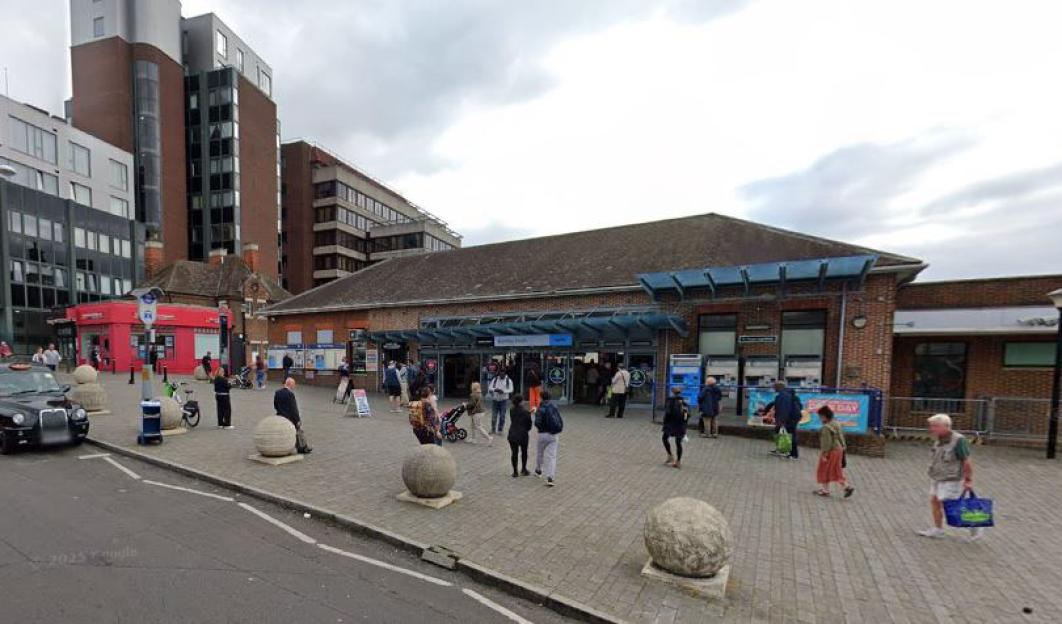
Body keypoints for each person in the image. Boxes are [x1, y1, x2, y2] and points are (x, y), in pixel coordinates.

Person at [919, 413, 980, 540]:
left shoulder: (959, 440)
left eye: (935, 426)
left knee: (949, 505)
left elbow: (966, 461)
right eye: (931, 426)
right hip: (937, 477)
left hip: (952, 478)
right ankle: (938, 529)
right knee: (934, 501)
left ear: (946, 426)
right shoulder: (939, 440)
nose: (932, 429)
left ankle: (973, 524)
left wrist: (968, 480)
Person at [815, 406, 853, 498]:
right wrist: (843, 447)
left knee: (823, 469)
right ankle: (845, 486)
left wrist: (825, 454)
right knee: (836, 469)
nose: (819, 418)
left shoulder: (826, 428)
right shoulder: (836, 423)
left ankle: (826, 489)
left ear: (824, 416)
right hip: (839, 449)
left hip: (831, 451)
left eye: (820, 416)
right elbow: (841, 436)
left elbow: (826, 443)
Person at [274, 377, 312, 454]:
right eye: (294, 384)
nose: (294, 386)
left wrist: (280, 412)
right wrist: (297, 420)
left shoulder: (277, 392)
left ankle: (300, 447)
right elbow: (294, 409)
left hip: (280, 416)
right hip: (290, 418)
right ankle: (303, 447)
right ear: (290, 384)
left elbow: (275, 405)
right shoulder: (290, 394)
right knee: (299, 431)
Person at [533, 391, 563, 487]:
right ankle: (550, 477)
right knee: (552, 456)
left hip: (542, 434)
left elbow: (537, 423)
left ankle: (538, 470)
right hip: (554, 434)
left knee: (540, 453)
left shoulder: (540, 408)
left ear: (541, 398)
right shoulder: (554, 407)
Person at [765, 381, 802, 460]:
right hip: (790, 417)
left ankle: (794, 454)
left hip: (791, 418)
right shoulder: (783, 394)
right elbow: (774, 403)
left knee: (790, 434)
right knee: (778, 431)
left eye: (774, 387)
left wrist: (782, 421)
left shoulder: (784, 395)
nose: (773, 388)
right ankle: (781, 449)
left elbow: (784, 409)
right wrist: (766, 410)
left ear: (778, 387)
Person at [661, 387, 689, 468]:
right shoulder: (684, 401)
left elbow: (668, 413)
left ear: (672, 392)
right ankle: (678, 461)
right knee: (678, 443)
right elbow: (687, 415)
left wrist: (665, 422)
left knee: (664, 438)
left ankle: (670, 455)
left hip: (670, 424)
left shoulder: (670, 400)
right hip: (680, 425)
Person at [508, 394, 532, 477]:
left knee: (514, 453)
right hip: (523, 434)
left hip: (512, 433)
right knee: (524, 452)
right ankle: (524, 469)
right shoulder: (526, 412)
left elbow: (512, 420)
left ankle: (515, 472)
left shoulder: (511, 410)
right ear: (521, 402)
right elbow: (529, 425)